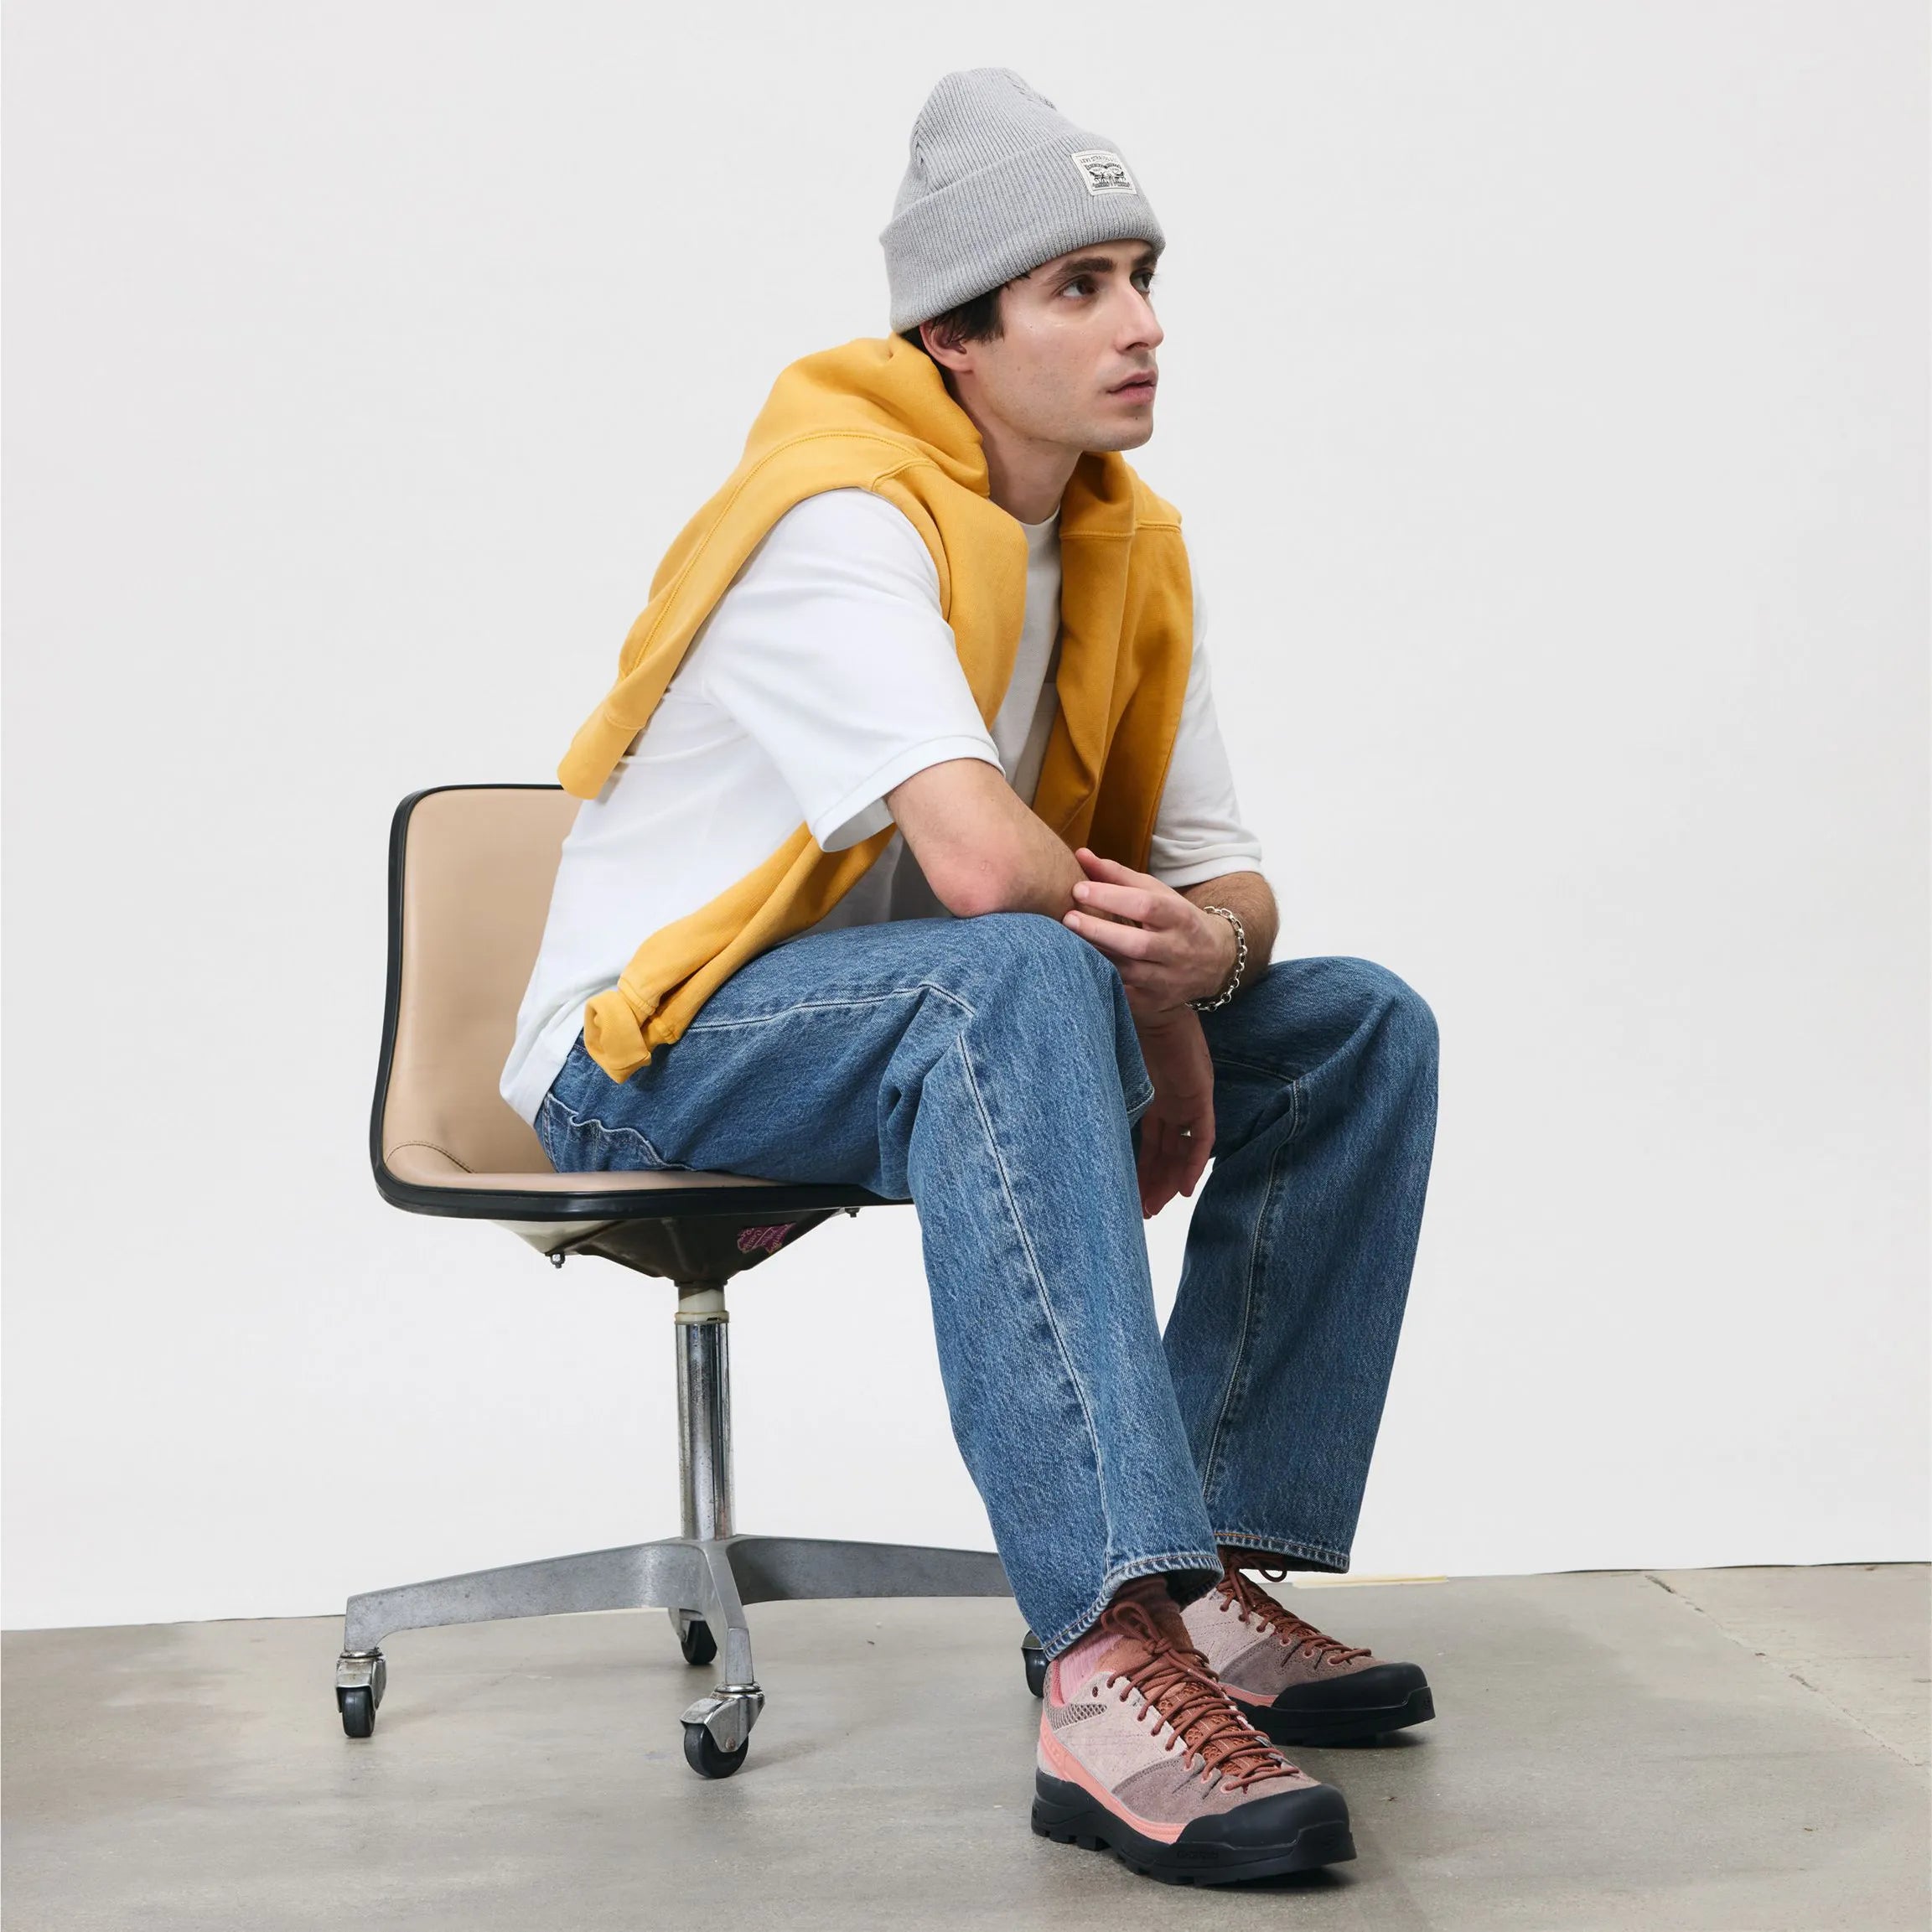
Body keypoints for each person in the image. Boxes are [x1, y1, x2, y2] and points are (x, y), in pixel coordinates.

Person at [501, 66, 1438, 1887]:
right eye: (1079, 284)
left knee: (1351, 1027)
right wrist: (1160, 1005)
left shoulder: (1124, 547)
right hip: (653, 1050)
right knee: (1008, 971)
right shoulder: (835, 515)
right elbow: (985, 870)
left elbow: (1224, 878)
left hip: (941, 1022)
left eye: (1143, 275)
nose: (1142, 323)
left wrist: (1214, 960)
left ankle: (1199, 1579)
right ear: (952, 332)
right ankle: (1101, 1659)